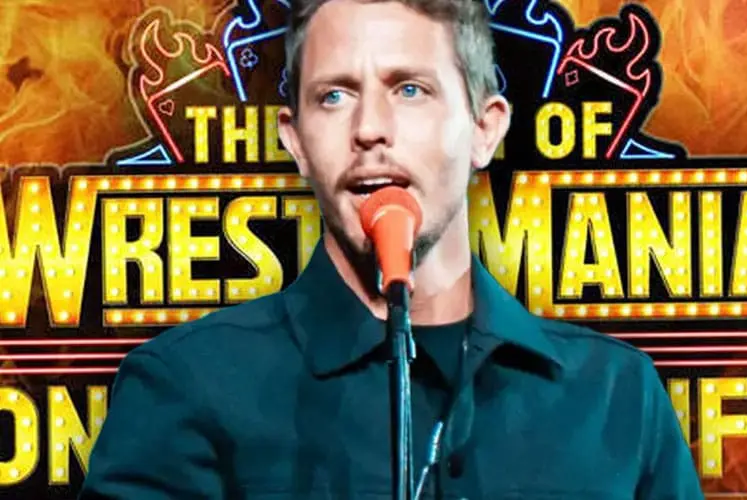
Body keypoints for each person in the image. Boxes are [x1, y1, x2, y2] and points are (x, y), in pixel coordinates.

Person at [79, 0, 704, 498]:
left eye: (410, 90)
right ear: (295, 141)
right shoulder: (186, 386)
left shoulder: (618, 395)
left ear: (485, 129)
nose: (369, 129)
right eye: (334, 96)